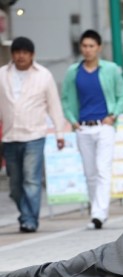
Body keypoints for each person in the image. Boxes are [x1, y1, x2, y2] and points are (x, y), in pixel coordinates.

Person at [61, 29, 123, 230]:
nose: (87, 50)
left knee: (102, 169)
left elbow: (121, 95)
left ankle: (99, 213)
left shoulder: (110, 69)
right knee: (90, 172)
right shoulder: (73, 72)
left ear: (99, 47)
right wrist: (72, 121)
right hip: (83, 128)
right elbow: (66, 98)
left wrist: (113, 115)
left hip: (104, 126)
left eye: (91, 46)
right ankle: (95, 212)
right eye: (84, 46)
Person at [0, 37, 66, 233]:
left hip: (35, 135)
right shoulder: (2, 74)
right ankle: (26, 215)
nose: (21, 56)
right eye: (17, 52)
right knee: (15, 185)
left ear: (32, 55)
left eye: (25, 52)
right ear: (12, 55)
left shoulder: (44, 75)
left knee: (31, 179)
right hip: (10, 136)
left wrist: (59, 133)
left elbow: (54, 105)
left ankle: (30, 220)